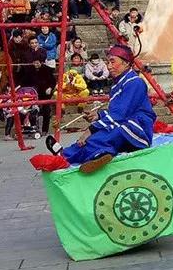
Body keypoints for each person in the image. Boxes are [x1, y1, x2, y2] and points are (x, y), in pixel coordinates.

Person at [45, 44, 156, 173]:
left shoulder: (134, 82)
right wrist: (98, 116)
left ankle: (92, 154)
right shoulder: (120, 83)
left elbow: (120, 113)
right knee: (94, 138)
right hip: (124, 121)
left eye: (113, 62)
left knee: (99, 137)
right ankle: (68, 153)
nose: (109, 66)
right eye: (108, 62)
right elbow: (117, 111)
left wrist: (91, 129)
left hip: (138, 128)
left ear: (126, 63)